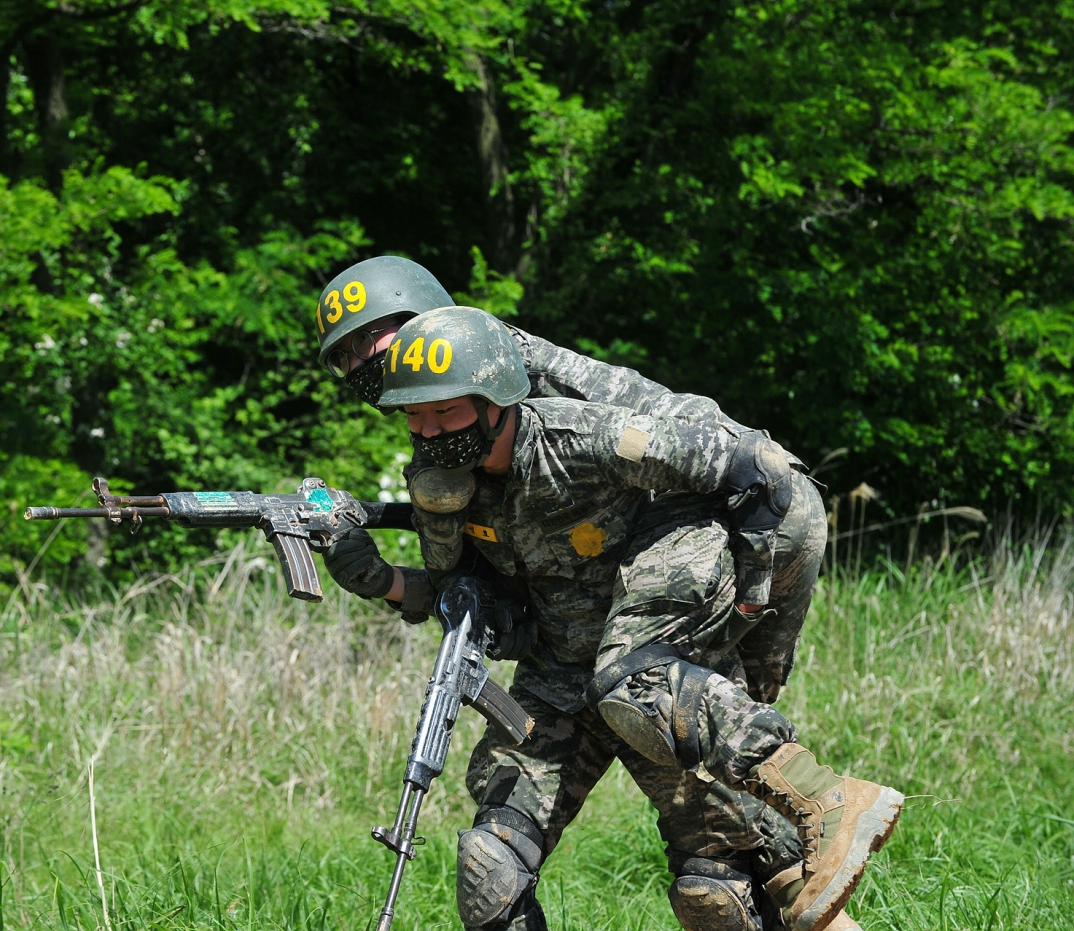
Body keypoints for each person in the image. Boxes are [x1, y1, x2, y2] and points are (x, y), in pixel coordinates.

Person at [312, 259, 848, 930]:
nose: (365, 363)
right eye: (348, 357)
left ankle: (820, 801)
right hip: (563, 662)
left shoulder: (549, 400)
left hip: (654, 637)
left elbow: (731, 462)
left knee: (730, 884)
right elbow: (478, 599)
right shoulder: (440, 443)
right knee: (491, 870)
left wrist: (743, 599)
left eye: (375, 339)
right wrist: (383, 577)